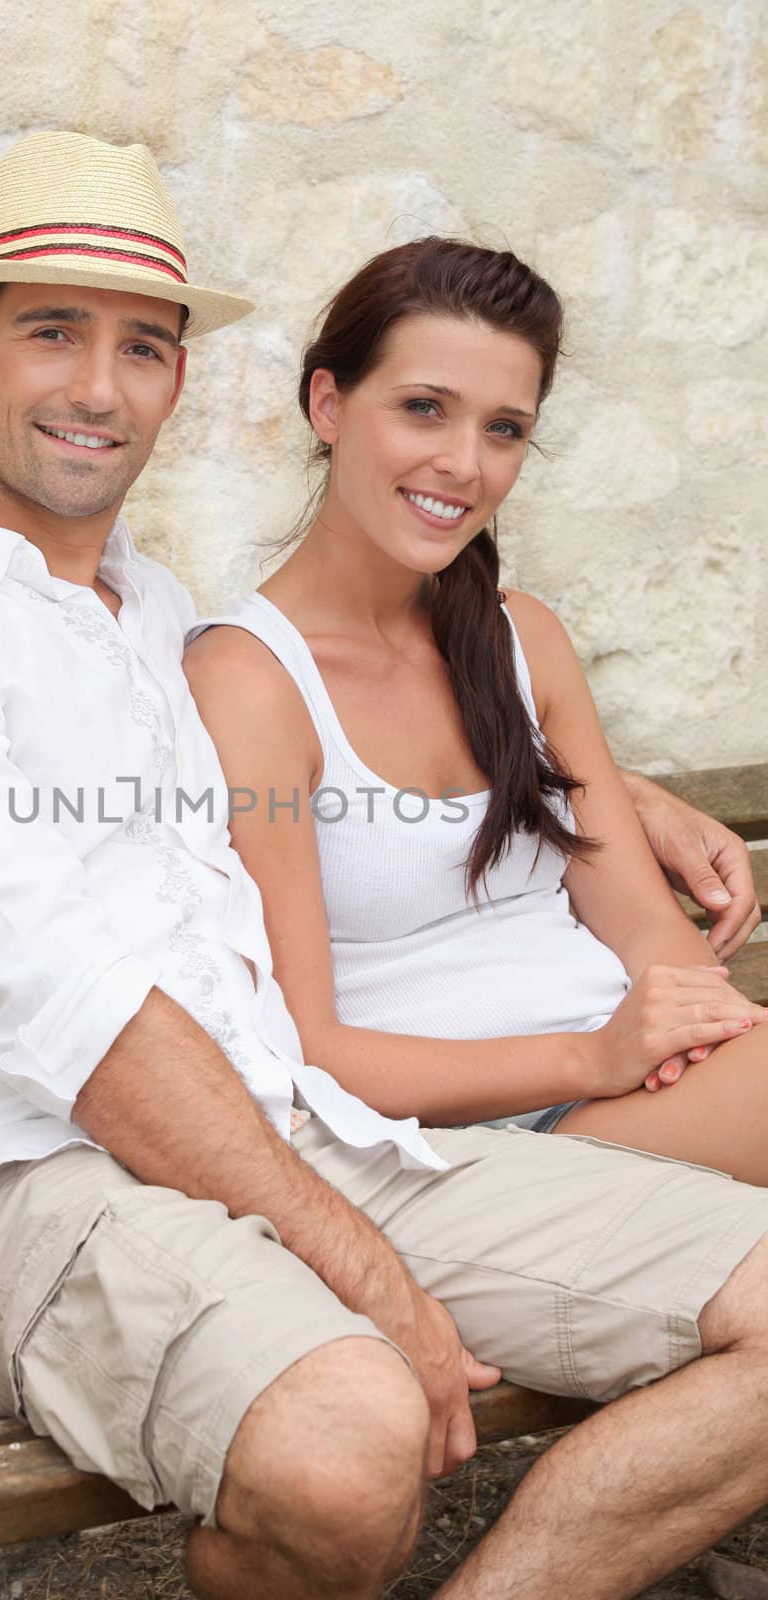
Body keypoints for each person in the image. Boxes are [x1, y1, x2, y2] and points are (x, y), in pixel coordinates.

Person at [0, 131, 768, 1600]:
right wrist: (359, 1269)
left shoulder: (140, 614)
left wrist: (614, 794)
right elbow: (85, 1030)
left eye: (142, 348)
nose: (99, 388)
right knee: (350, 1444)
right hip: (22, 1193)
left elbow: (343, 716)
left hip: (279, 1128)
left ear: (179, 382)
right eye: (51, 336)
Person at [184, 237, 768, 1183]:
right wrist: (594, 1059)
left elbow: (644, 928)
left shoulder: (520, 640)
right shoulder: (251, 682)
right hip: (458, 1147)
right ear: (327, 403)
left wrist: (691, 1032)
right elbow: (307, 1049)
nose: (464, 464)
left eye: (503, 429)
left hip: (631, 1094)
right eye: (423, 409)